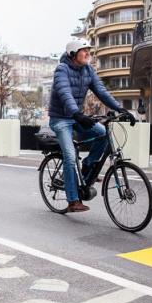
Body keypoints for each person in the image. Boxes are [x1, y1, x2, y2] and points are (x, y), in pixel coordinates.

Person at [48, 39, 133, 213]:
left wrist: (120, 108)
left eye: (89, 50)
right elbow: (65, 94)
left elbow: (101, 91)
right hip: (61, 119)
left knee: (103, 134)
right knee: (70, 157)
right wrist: (76, 114)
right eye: (84, 50)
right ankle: (73, 200)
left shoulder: (88, 70)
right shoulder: (61, 70)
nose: (88, 53)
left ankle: (88, 164)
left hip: (76, 117)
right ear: (73, 54)